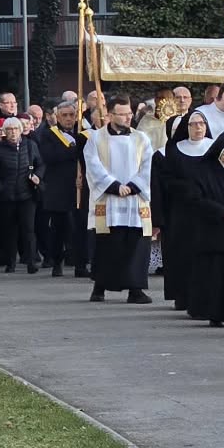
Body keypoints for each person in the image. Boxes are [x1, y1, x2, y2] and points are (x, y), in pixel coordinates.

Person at [84, 93, 154, 304]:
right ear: (110, 115)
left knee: (135, 245)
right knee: (107, 245)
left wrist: (133, 186)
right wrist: (114, 186)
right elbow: (93, 166)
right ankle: (100, 287)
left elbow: (148, 166)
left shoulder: (141, 138)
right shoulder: (96, 138)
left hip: (135, 199)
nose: (128, 117)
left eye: (129, 113)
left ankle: (135, 289)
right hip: (109, 199)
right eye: (122, 114)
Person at [186, 134, 224, 326]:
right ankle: (215, 314)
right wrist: (222, 211)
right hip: (213, 232)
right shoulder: (203, 171)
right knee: (216, 278)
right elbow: (195, 199)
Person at [160, 111, 213, 311]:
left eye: (202, 123)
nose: (198, 127)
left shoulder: (214, 148)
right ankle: (182, 295)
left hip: (207, 210)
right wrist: (186, 188)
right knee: (183, 254)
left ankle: (206, 296)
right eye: (194, 124)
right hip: (182, 210)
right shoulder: (175, 149)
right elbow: (167, 179)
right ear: (186, 127)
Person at [37, 101, 91, 278]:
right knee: (59, 229)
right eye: (64, 115)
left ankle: (80, 265)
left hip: (80, 187)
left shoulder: (82, 133)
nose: (68, 118)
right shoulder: (49, 135)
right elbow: (50, 156)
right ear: (57, 117)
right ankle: (57, 261)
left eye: (71, 115)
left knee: (80, 228)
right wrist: (75, 150)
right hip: (58, 188)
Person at [0, 117, 43, 272]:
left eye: (16, 129)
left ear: (21, 130)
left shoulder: (30, 145)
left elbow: (40, 164)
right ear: (5, 132)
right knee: (9, 231)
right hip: (7, 197)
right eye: (9, 129)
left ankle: (31, 262)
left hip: (27, 195)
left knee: (28, 229)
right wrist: (0, 187)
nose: (13, 132)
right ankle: (10, 263)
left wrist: (37, 176)